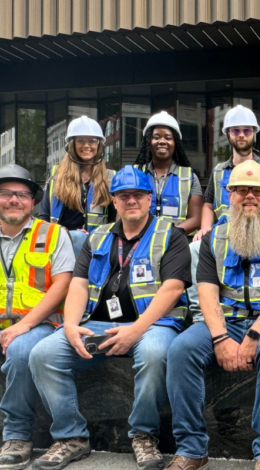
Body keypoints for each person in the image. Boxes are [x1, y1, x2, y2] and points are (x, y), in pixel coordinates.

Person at [29, 166, 191, 470]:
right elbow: (78, 284)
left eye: (138, 195)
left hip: (153, 324)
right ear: (113, 201)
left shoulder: (171, 234)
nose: (132, 200)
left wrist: (135, 331)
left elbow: (173, 288)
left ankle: (143, 435)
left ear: (148, 199)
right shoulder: (99, 237)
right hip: (98, 323)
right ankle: (70, 436)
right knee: (43, 354)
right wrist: (72, 326)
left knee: (155, 354)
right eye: (124, 195)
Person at [165, 159, 260, 470]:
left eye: (257, 191)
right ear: (230, 195)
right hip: (226, 320)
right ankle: (192, 449)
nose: (249, 196)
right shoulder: (214, 238)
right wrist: (220, 337)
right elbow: (207, 294)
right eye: (242, 190)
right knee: (181, 349)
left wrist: (254, 335)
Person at [0, 165, 74, 470]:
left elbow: (63, 285)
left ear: (33, 201)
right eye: (5, 194)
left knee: (19, 350)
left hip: (41, 323)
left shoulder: (54, 234)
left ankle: (16, 436)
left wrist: (25, 325)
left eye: (22, 194)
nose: (14, 199)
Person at [188, 105, 260, 319]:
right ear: (228, 134)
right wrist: (206, 228)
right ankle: (202, 315)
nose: (242, 135)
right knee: (194, 249)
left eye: (247, 130)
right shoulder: (218, 171)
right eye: (236, 130)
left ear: (254, 133)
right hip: (225, 236)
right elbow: (208, 204)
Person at [39, 116, 116, 257]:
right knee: (77, 238)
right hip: (60, 246)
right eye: (81, 141)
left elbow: (114, 220)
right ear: (72, 145)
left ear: (99, 145)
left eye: (92, 141)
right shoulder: (56, 177)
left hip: (99, 247)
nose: (86, 146)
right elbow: (43, 218)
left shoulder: (111, 178)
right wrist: (67, 233)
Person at [134, 111, 203, 235]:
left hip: (177, 245)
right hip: (139, 242)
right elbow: (122, 213)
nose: (162, 141)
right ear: (148, 142)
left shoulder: (189, 177)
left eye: (168, 138)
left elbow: (196, 219)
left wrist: (170, 235)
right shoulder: (135, 173)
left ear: (175, 143)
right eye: (156, 137)